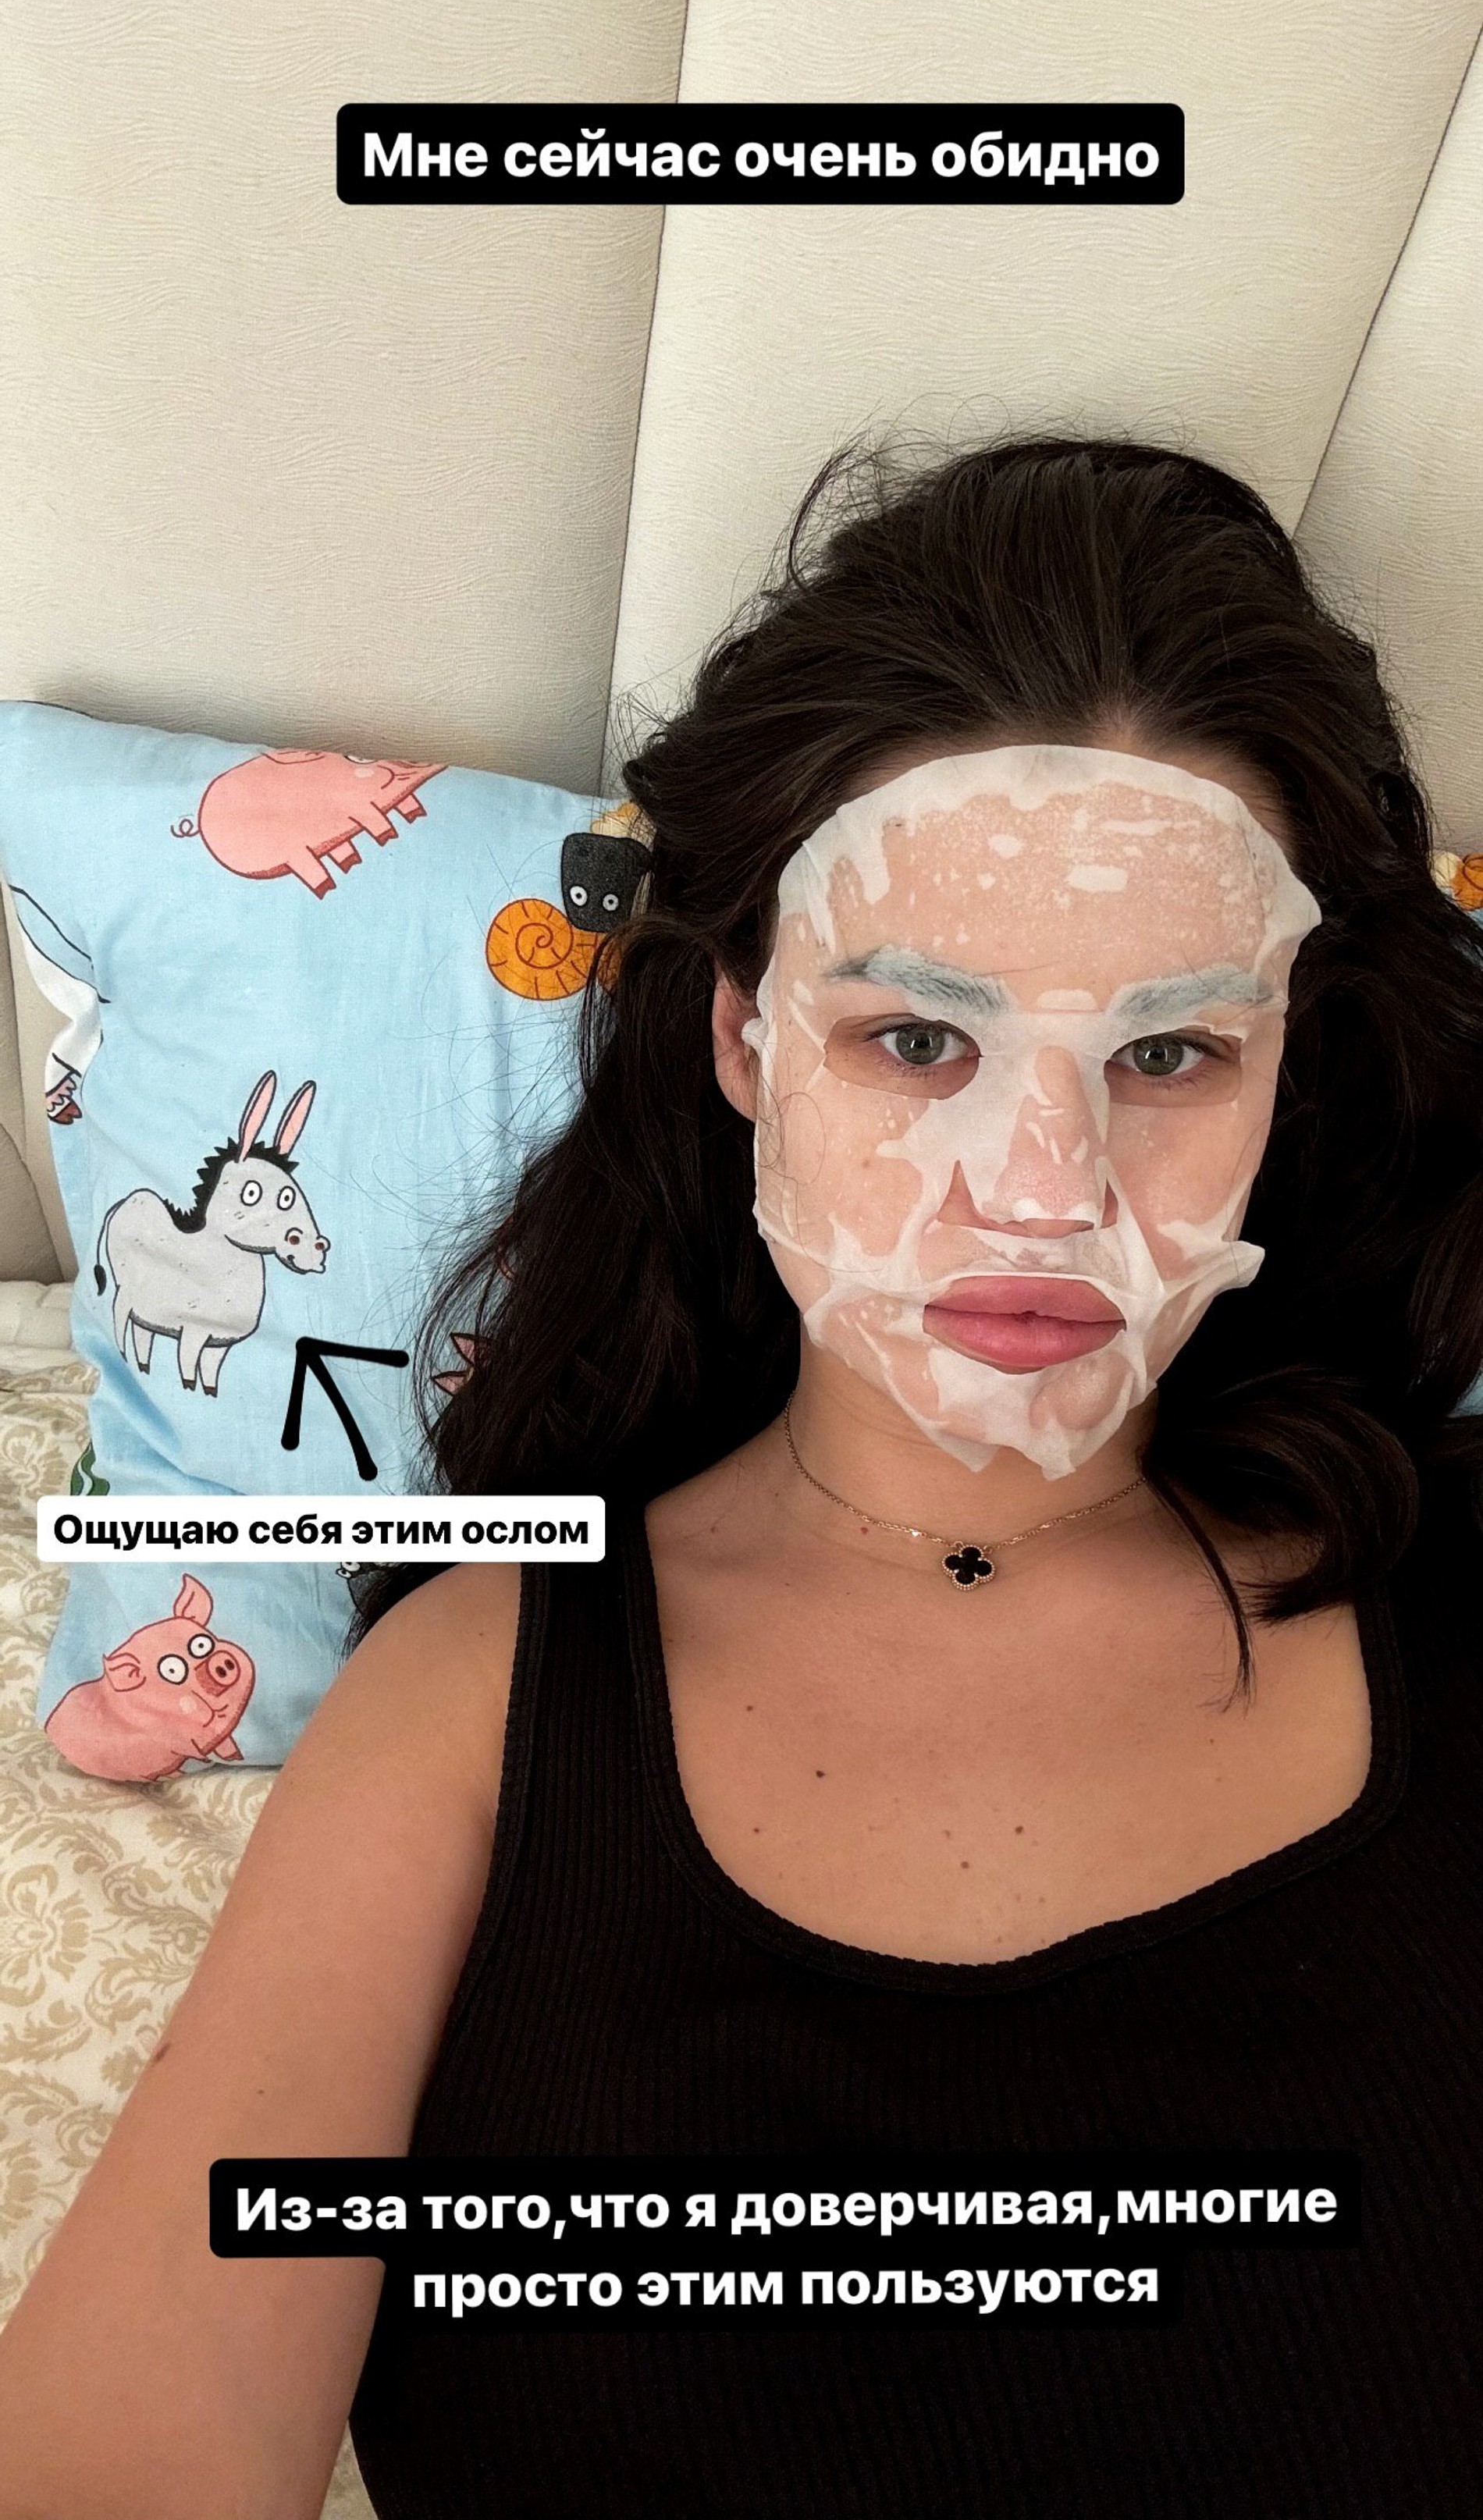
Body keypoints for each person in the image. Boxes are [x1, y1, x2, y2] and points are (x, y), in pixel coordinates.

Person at [2, 432, 1481, 2520]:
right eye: (916, 1039)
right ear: (741, 1037)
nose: (1039, 1192)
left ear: (1285, 1073)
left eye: (1167, 1053)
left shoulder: (1447, 1575)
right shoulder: (485, 1701)